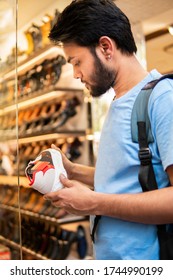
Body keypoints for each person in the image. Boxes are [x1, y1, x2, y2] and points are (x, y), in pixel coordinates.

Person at [44, 0, 173, 259]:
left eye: (77, 61)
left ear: (105, 47)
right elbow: (132, 177)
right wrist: (73, 170)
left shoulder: (162, 99)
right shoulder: (119, 101)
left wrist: (94, 203)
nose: (76, 74)